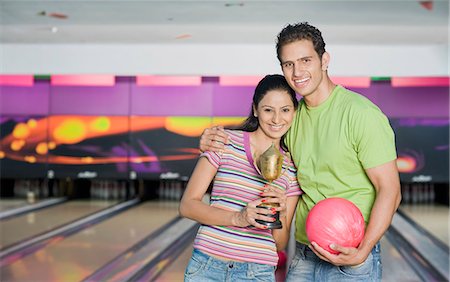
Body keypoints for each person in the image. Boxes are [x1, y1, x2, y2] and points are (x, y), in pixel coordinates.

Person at [199, 22, 401, 281]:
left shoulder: (361, 114)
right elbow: (255, 143)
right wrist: (211, 139)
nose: (297, 72)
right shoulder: (291, 119)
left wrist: (363, 250)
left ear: (324, 60)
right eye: (288, 64)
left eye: (305, 60)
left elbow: (390, 190)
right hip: (305, 254)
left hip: (351, 253)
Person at [179, 74, 302, 282]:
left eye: (285, 110)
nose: (277, 119)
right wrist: (238, 218)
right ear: (255, 109)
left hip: (257, 272)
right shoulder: (224, 142)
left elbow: (279, 244)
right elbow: (187, 206)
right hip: (208, 265)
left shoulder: (290, 168)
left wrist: (280, 214)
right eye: (268, 110)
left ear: (294, 112)